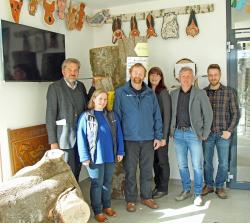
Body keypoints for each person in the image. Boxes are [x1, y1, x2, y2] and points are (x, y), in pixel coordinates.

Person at [114, 63, 163, 212]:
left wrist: (158, 136)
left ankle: (146, 197)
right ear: (130, 73)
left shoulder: (150, 93)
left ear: (144, 75)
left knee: (147, 170)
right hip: (129, 140)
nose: (138, 75)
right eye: (135, 72)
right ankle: (130, 199)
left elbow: (157, 116)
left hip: (148, 139)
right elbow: (117, 117)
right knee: (130, 171)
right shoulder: (121, 92)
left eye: (141, 73)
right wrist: (119, 140)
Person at [77, 89, 124, 223]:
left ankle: (107, 206)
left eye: (105, 99)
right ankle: (97, 211)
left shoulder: (111, 115)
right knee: (97, 183)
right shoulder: (86, 116)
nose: (103, 102)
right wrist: (84, 157)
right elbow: (81, 138)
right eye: (100, 99)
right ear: (93, 100)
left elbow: (119, 134)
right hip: (94, 157)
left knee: (107, 182)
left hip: (110, 155)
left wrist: (120, 151)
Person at [170, 66, 213, 206]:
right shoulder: (173, 94)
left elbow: (208, 114)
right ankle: (186, 189)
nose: (186, 79)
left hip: (193, 134)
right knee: (182, 165)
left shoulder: (200, 94)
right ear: (179, 78)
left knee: (196, 166)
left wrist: (205, 133)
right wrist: (171, 131)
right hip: (178, 134)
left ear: (193, 78)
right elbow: (171, 114)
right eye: (183, 76)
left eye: (189, 76)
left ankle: (198, 194)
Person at [46, 58, 88, 181]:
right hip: (64, 138)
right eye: (69, 69)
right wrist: (53, 142)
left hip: (81, 137)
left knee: (77, 168)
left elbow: (86, 105)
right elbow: (50, 116)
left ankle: (74, 195)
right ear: (63, 71)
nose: (72, 72)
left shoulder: (81, 86)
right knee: (66, 171)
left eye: (75, 70)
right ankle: (68, 197)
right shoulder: (54, 88)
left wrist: (94, 88)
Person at [202, 64, 240, 199]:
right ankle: (209, 185)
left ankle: (219, 186)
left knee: (223, 162)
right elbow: (199, 114)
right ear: (207, 76)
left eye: (215, 74)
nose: (213, 77)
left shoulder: (229, 92)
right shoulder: (203, 92)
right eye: (210, 75)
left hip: (223, 134)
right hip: (207, 135)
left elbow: (236, 113)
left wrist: (229, 131)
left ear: (220, 75)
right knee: (207, 162)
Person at [148, 67, 171, 199]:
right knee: (154, 161)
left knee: (162, 161)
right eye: (152, 75)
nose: (154, 77)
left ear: (161, 78)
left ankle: (163, 188)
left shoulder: (163, 93)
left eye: (157, 75)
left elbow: (167, 116)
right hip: (150, 135)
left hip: (161, 135)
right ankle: (157, 186)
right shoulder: (146, 91)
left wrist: (163, 136)